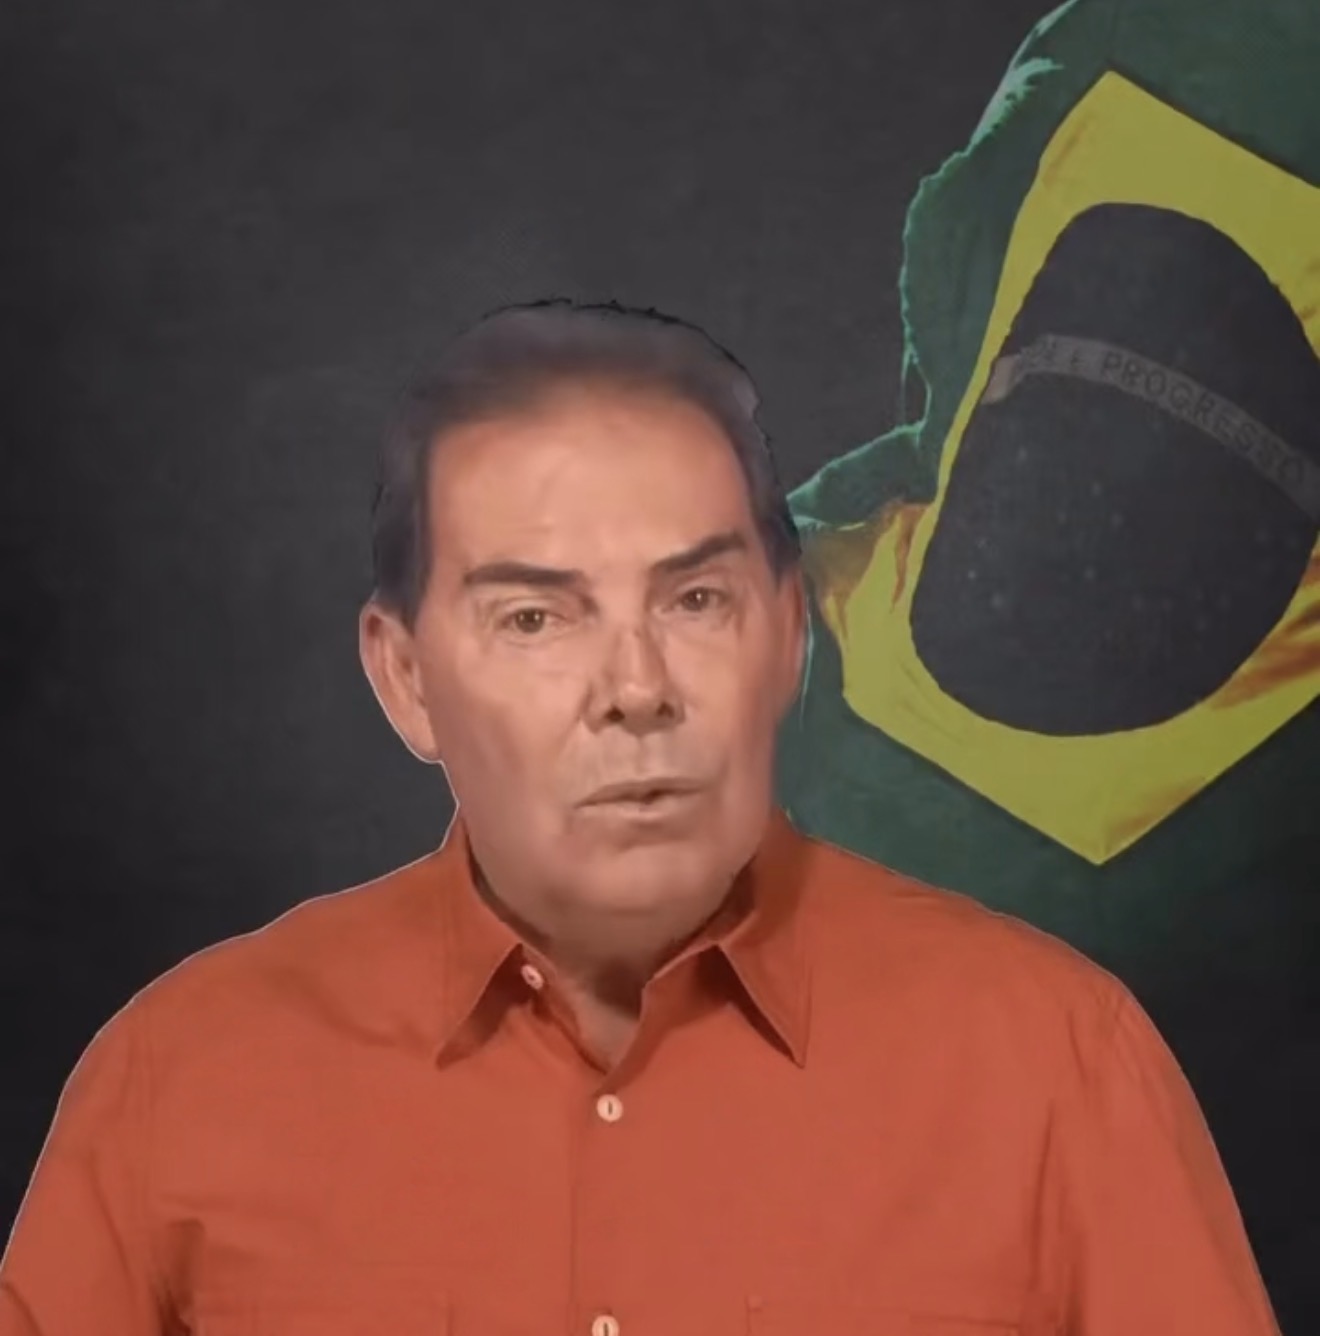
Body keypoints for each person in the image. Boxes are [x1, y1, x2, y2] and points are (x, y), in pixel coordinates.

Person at [0, 301, 1280, 1335]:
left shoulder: (1056, 1064)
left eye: (695, 601)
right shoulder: (182, 1078)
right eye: (534, 617)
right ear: (404, 678)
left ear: (790, 633)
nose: (637, 689)